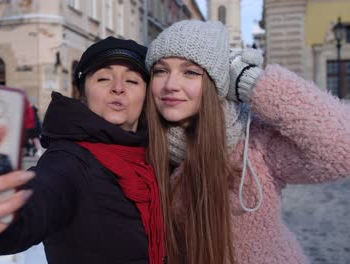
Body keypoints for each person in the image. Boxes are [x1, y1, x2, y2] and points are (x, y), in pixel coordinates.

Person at [0, 37, 166, 264]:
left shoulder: (160, 154)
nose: (118, 87)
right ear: (83, 94)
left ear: (147, 95)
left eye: (132, 80)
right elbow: (36, 203)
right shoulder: (69, 162)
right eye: (103, 78)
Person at [144, 20, 350, 264]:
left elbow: (343, 147)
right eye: (161, 71)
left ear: (217, 82)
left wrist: (252, 83)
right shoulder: (141, 143)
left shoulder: (254, 143)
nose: (170, 85)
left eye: (190, 72)